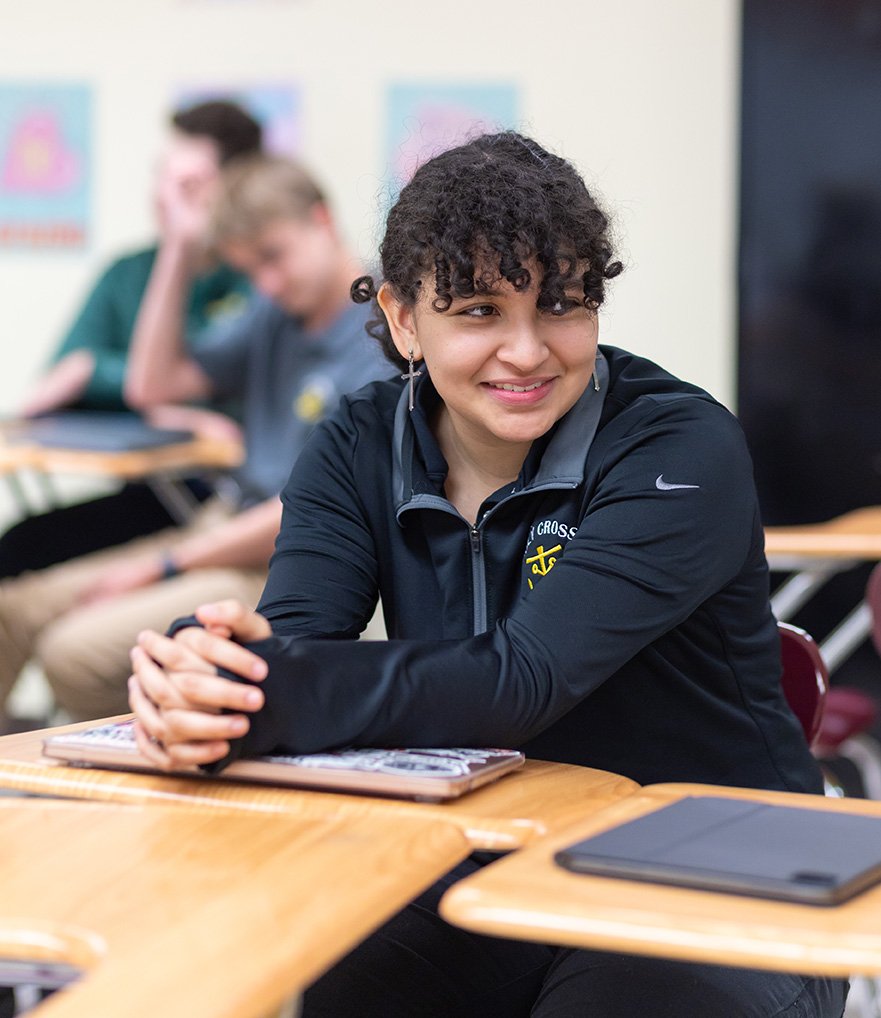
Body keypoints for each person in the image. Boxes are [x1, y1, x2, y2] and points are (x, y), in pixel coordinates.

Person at [128, 132, 848, 1017]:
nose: (527, 351)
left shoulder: (678, 446)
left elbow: (522, 678)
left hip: (723, 870)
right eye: (476, 311)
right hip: (473, 852)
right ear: (401, 320)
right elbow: (292, 648)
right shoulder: (356, 441)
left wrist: (264, 691)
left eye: (562, 305)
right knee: (322, 984)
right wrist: (199, 674)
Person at [0, 153, 389, 730]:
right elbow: (150, 384)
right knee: (11, 611)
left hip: (281, 558)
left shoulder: (381, 335)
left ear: (321, 220)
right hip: (219, 523)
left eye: (274, 258)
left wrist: (162, 564)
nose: (268, 283)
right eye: (250, 270)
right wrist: (179, 249)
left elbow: (313, 514)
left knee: (72, 655)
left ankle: (114, 786)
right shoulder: (274, 314)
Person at [0, 100, 262, 578]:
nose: (165, 196)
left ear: (233, 189)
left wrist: (99, 374)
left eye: (187, 184)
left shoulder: (257, 279)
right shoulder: (127, 272)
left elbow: (234, 406)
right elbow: (60, 382)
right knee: (18, 547)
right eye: (161, 176)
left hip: (223, 498)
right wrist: (166, 407)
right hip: (148, 492)